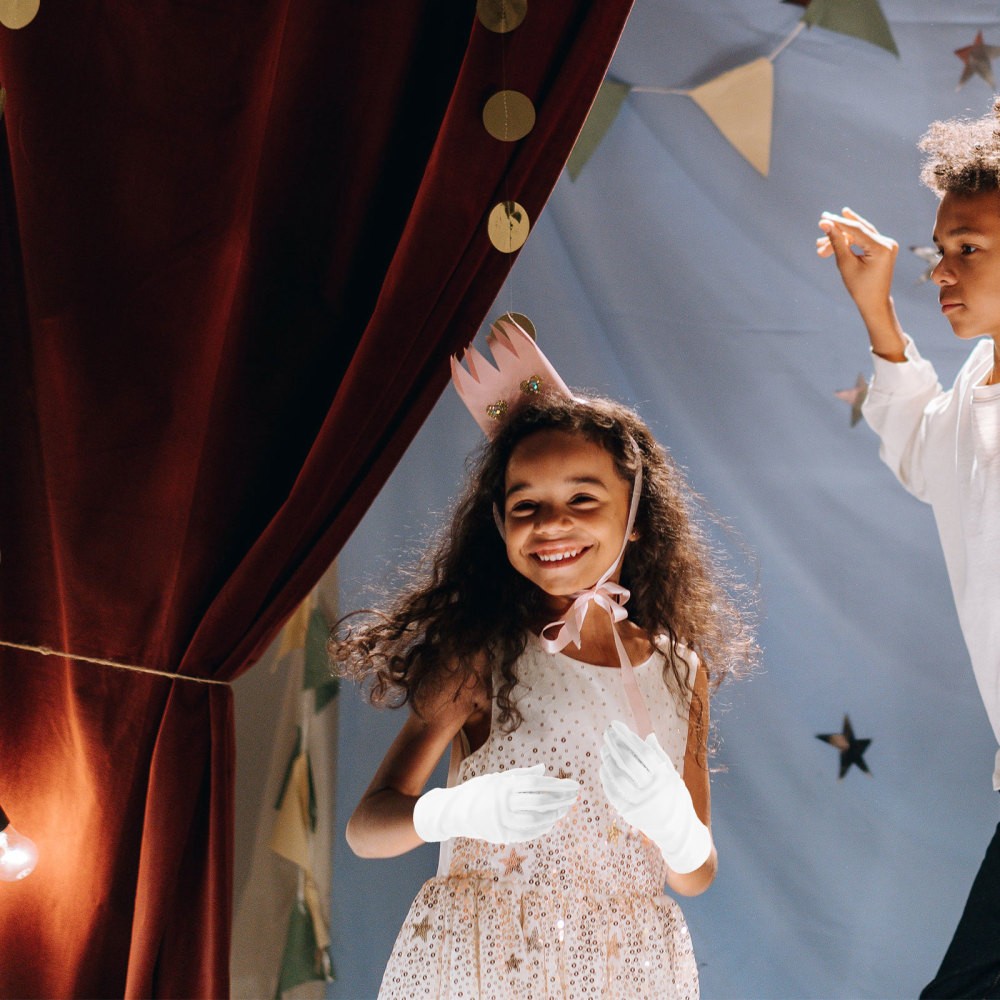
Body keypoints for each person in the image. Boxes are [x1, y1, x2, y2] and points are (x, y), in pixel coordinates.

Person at [333, 320, 755, 999]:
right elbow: (367, 830)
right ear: (499, 523)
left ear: (636, 517)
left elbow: (696, 874)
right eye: (525, 504)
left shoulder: (681, 671)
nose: (551, 523)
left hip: (624, 970)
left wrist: (674, 826)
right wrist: (455, 811)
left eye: (582, 498)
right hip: (487, 966)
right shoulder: (481, 651)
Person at [817, 99, 1000, 998]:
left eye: (970, 246)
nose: (944, 270)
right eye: (940, 249)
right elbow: (932, 459)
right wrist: (878, 310)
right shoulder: (977, 383)